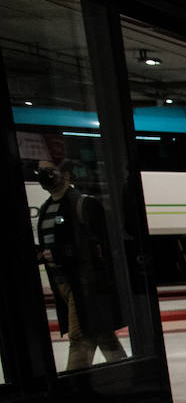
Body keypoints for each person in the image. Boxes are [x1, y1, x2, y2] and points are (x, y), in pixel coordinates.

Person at [34, 159, 129, 371]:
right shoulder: (46, 209)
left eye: (49, 170)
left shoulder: (83, 204)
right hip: (62, 283)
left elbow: (100, 246)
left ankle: (76, 383)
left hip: (84, 283)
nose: (43, 176)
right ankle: (127, 374)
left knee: (79, 336)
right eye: (40, 171)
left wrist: (61, 253)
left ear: (65, 175)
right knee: (102, 333)